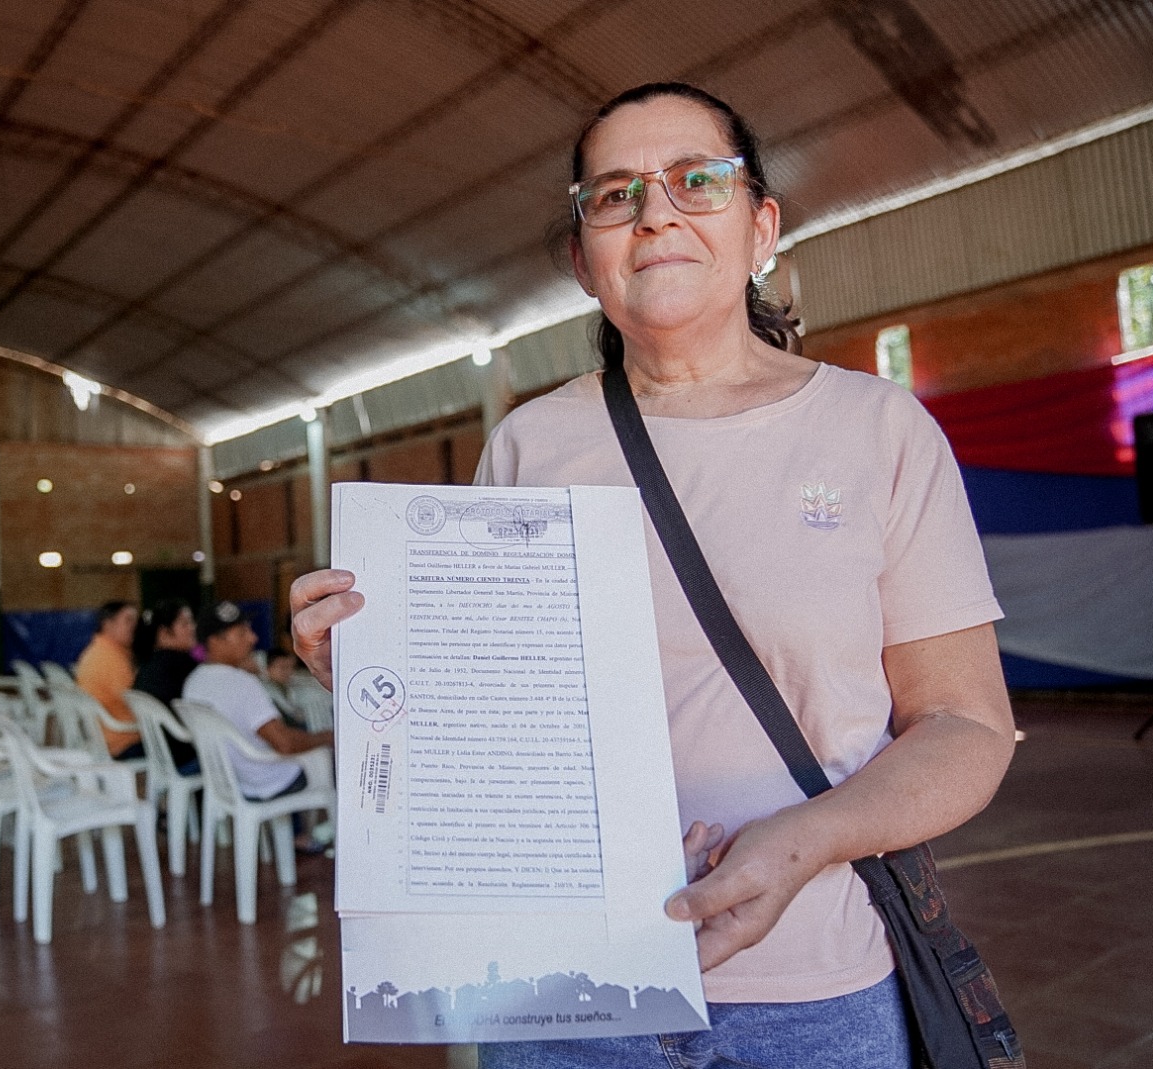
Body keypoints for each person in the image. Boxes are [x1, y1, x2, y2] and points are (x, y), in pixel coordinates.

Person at [289, 82, 1015, 1068]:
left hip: (811, 992)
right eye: (615, 193)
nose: (656, 212)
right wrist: (383, 669)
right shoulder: (531, 443)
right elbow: (502, 716)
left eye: (694, 181)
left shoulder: (876, 430)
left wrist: (803, 839)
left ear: (761, 226)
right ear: (586, 258)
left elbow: (966, 727)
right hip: (572, 984)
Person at [181, 602, 332, 805]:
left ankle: (298, 835)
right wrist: (329, 738)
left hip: (233, 781)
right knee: (338, 764)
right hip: (269, 781)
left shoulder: (194, 681)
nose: (253, 638)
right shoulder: (242, 683)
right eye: (242, 633)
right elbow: (285, 744)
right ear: (215, 641)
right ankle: (321, 833)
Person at [131, 598, 200, 772]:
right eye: (185, 624)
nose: (193, 628)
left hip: (162, 757)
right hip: (187, 757)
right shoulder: (182, 666)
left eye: (192, 622)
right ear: (163, 633)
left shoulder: (146, 665)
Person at [74, 599, 143, 760]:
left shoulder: (96, 651)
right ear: (108, 625)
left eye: (135, 620)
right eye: (128, 620)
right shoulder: (111, 658)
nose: (135, 626)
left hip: (101, 739)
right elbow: (136, 703)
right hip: (122, 741)